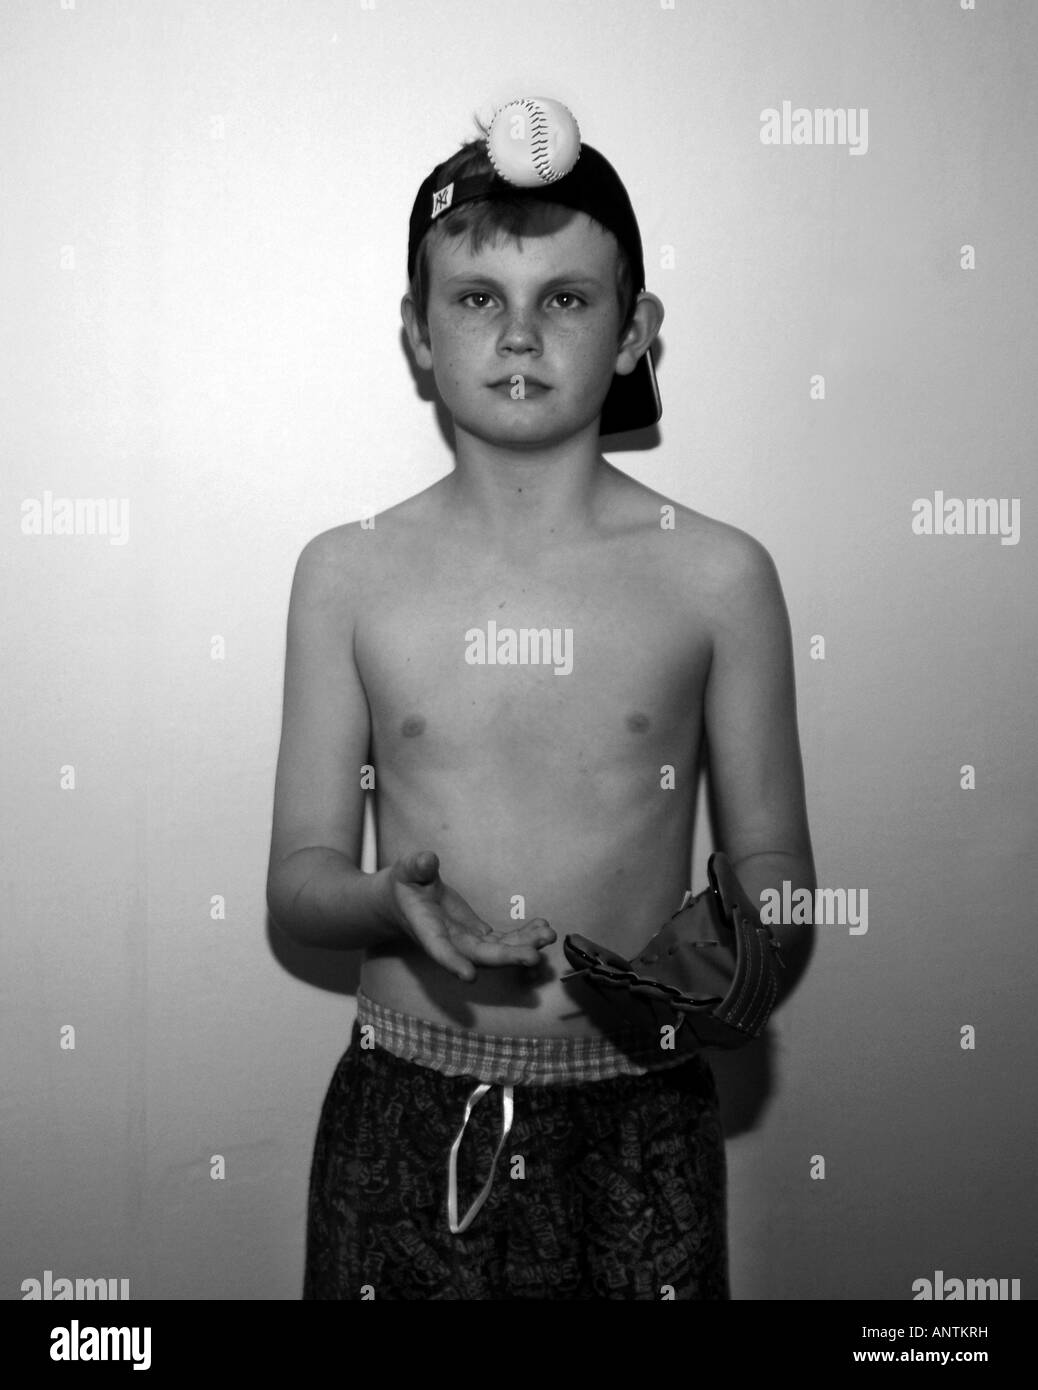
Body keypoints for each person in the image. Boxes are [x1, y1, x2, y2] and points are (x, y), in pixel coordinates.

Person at [266, 105, 815, 1300]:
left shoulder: (719, 574)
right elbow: (299, 880)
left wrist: (735, 952)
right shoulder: (345, 572)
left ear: (634, 332)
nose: (519, 333)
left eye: (565, 298)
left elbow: (774, 860)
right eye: (476, 298)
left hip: (645, 1110)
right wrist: (385, 901)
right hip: (405, 1105)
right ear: (419, 332)